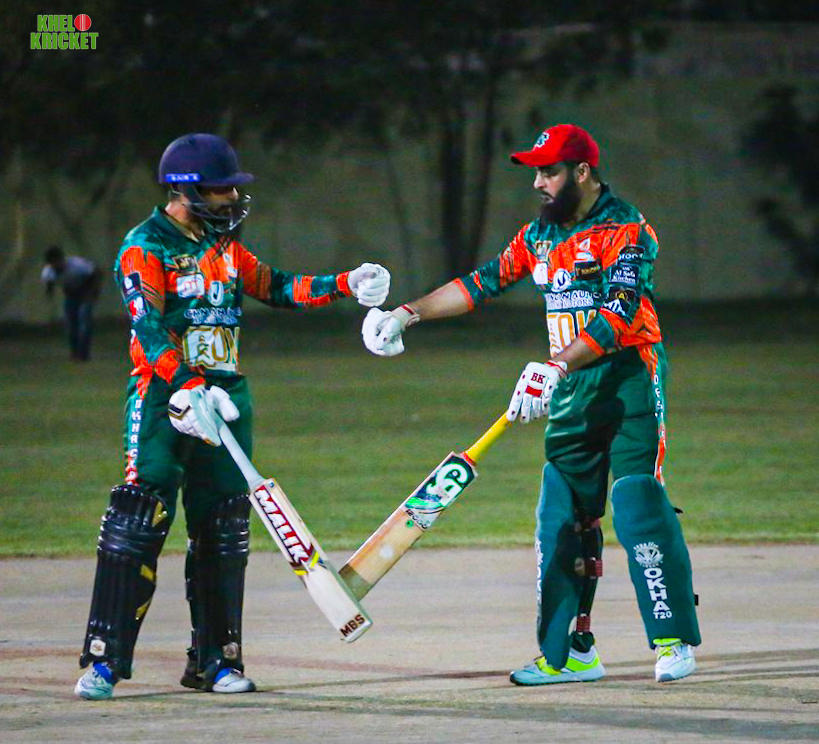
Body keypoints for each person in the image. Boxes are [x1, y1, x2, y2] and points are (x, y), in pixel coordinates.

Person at [362, 124, 700, 685]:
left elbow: (619, 315)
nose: (539, 183)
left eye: (549, 171)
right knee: (562, 516)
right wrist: (407, 314)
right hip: (567, 391)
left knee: (636, 499)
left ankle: (672, 641)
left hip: (627, 382)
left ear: (583, 172)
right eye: (536, 172)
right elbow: (481, 283)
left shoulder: (627, 230)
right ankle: (570, 654)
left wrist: (556, 364)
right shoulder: (539, 235)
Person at [74, 133, 391, 700]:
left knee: (222, 527)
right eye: (222, 189)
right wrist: (187, 385)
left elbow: (279, 287)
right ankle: (104, 661)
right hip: (164, 400)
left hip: (227, 400)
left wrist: (348, 283)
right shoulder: (144, 246)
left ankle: (216, 662)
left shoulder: (225, 249)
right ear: (186, 189)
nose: (232, 199)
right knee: (137, 521)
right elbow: (147, 326)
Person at [41, 245, 102, 361]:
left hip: (85, 292)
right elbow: (49, 285)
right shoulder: (48, 272)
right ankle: (74, 352)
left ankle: (83, 354)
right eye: (52, 264)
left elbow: (97, 272)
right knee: (71, 324)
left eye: (57, 262)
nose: (55, 266)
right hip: (71, 295)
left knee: (84, 322)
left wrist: (94, 293)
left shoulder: (77, 265)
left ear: (61, 259)